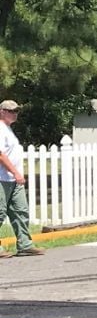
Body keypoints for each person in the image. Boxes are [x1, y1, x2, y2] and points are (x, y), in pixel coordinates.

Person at [0, 100, 46, 258]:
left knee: (21, 211)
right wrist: (15, 172)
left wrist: (16, 174)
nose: (14, 113)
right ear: (2, 111)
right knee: (0, 212)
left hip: (13, 179)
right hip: (2, 178)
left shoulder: (8, 129)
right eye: (11, 111)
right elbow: (0, 155)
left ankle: (25, 244)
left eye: (16, 111)